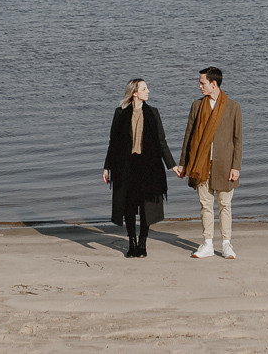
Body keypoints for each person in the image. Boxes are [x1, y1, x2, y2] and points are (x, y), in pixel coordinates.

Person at [102, 78, 179, 257]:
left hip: (148, 166)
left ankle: (143, 242)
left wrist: (172, 165)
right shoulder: (120, 113)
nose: (148, 91)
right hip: (125, 167)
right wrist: (107, 168)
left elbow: (161, 142)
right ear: (134, 93)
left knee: (146, 207)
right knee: (129, 206)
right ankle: (132, 242)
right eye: (144, 88)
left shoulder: (153, 113)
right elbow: (113, 143)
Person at [176, 66, 242, 259]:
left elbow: (238, 139)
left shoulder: (233, 107)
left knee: (225, 205)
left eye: (202, 83)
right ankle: (207, 244)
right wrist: (183, 163)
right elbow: (188, 137)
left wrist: (236, 166)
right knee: (205, 205)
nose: (199, 86)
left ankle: (227, 243)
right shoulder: (197, 106)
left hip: (224, 165)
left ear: (214, 84)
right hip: (201, 164)